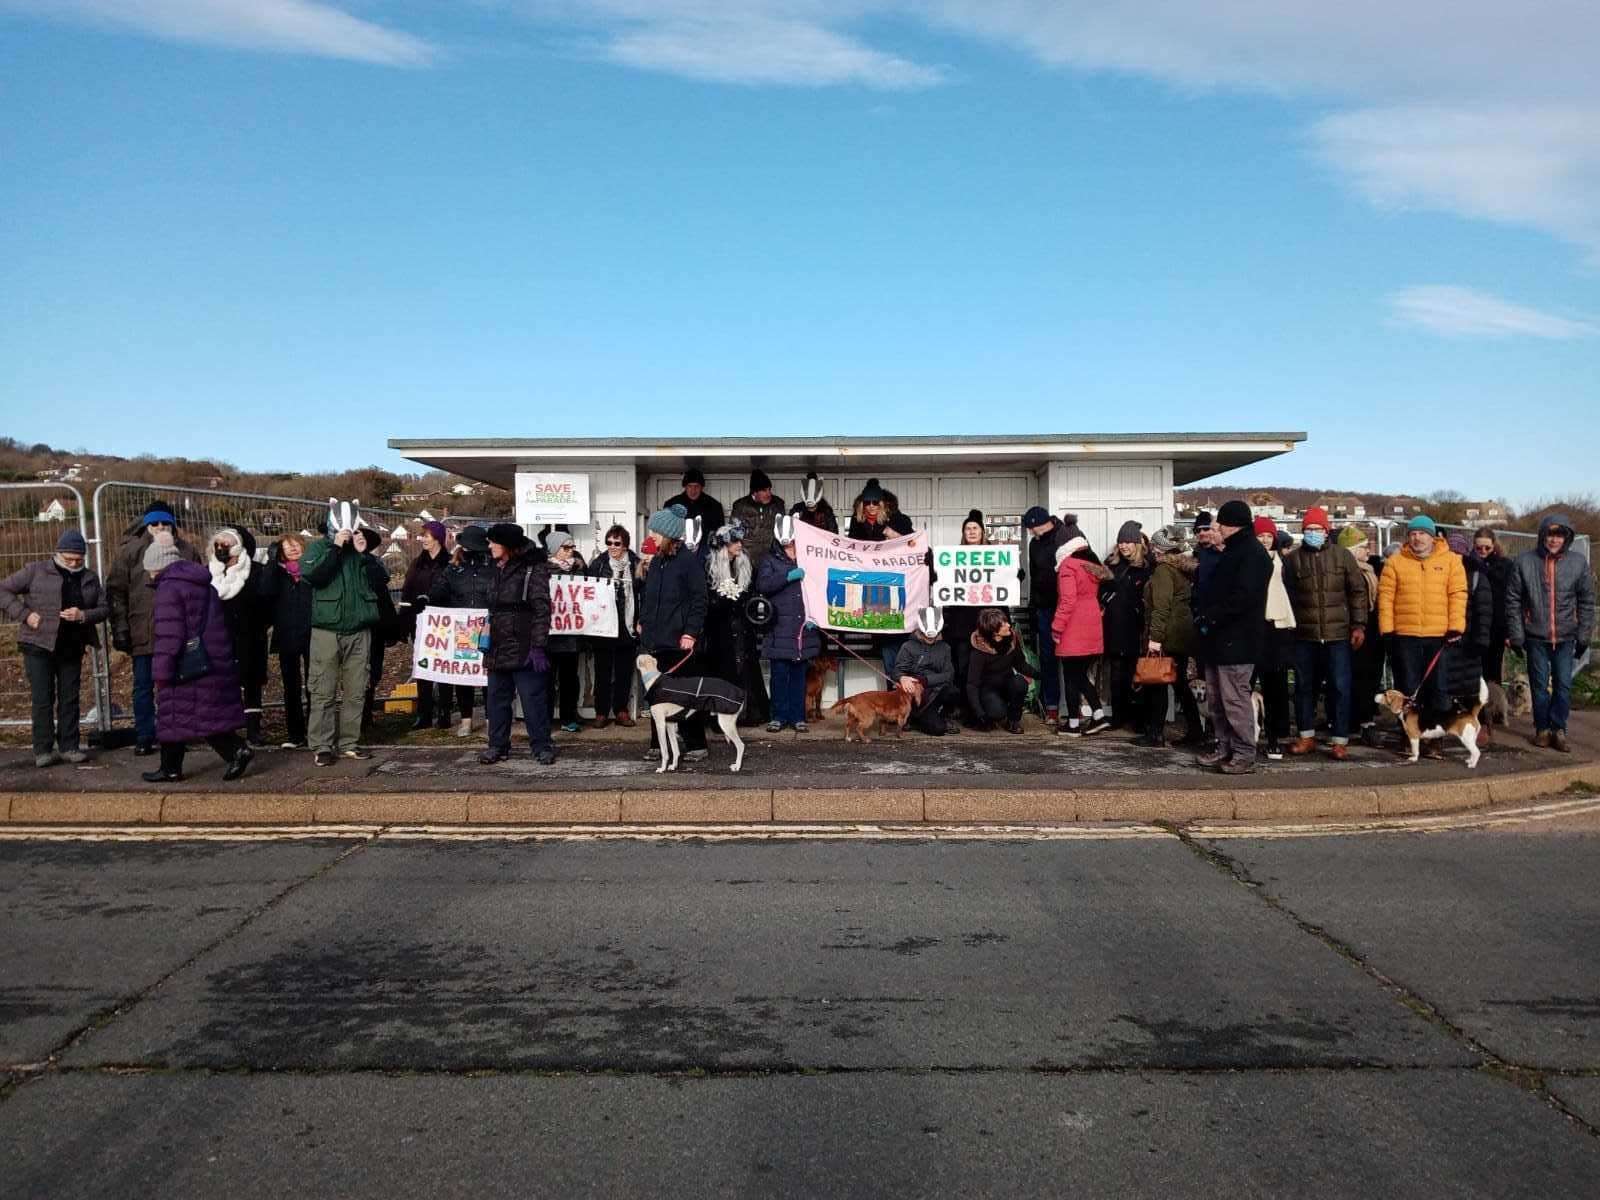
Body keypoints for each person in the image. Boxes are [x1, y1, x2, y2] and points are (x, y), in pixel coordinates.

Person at [139, 537, 251, 784]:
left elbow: (170, 635)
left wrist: (161, 671)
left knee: (175, 715)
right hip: (212, 658)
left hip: (185, 664)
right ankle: (171, 767)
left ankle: (233, 751)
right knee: (199, 715)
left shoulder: (168, 589)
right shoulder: (204, 585)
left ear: (156, 565)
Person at [1, 529, 108, 767]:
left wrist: (83, 615)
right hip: (38, 645)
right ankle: (43, 749)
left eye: (78, 560)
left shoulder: (90, 578)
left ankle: (69, 746)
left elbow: (104, 608)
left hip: (72, 645)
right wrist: (25, 615)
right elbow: (3, 590)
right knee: (43, 698)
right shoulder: (35, 570)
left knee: (70, 698)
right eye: (68, 559)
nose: (73, 564)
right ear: (57, 554)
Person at [107, 500, 202, 756]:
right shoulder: (130, 552)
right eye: (155, 523)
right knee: (142, 687)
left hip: (180, 633)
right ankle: (145, 734)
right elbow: (116, 591)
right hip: (143, 630)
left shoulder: (188, 551)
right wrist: (120, 629)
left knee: (179, 686)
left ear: (173, 525)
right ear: (146, 525)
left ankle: (180, 733)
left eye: (165, 523)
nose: (160, 527)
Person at [1284, 506, 1368, 760]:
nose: (1313, 533)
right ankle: (1306, 735)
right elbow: (1287, 596)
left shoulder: (1342, 556)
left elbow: (1357, 592)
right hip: (1304, 635)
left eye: (1317, 529)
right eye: (1308, 529)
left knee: (1340, 687)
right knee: (1303, 687)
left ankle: (1339, 740)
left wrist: (1359, 625)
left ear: (1326, 530)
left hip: (1337, 635)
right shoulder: (1293, 560)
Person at [1194, 500, 1272, 774]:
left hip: (1237, 640)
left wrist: (1212, 616)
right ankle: (1224, 746)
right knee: (1217, 699)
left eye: (1221, 523)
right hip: (1221, 639)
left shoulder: (1251, 555)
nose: (1217, 528)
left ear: (1232, 524)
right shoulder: (1236, 551)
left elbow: (1243, 598)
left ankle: (1243, 752)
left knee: (1234, 698)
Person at [1507, 513, 1595, 753]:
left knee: (1563, 685)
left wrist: (1584, 635)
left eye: (1559, 535)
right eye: (1550, 534)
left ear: (1566, 537)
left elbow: (1587, 600)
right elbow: (1513, 599)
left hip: (1566, 636)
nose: (1554, 540)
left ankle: (1559, 729)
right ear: (1542, 536)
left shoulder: (1578, 563)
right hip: (1536, 635)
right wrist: (1517, 635)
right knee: (1537, 685)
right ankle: (1542, 729)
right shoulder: (1524, 561)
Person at [1377, 514, 1471, 729]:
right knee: (1407, 687)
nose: (1417, 538)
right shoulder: (1395, 563)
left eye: (1422, 534)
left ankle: (1435, 735)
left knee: (1438, 687)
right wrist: (1388, 631)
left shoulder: (1451, 562)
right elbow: (1385, 598)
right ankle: (1410, 733)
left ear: (1432, 537)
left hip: (1438, 636)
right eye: (1413, 533)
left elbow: (1458, 594)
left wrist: (1455, 626)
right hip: (1405, 635)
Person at [302, 516, 380, 767]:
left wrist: (364, 554)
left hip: (358, 629)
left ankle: (349, 742)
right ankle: (322, 745)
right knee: (323, 690)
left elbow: (381, 580)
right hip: (327, 629)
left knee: (356, 690)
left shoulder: (360, 550)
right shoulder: (318, 548)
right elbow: (314, 576)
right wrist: (335, 548)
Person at [479, 523, 556, 765]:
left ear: (508, 546)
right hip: (498, 646)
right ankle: (497, 745)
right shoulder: (494, 569)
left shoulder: (532, 570)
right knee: (496, 700)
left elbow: (543, 610)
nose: (489, 546)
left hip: (524, 646)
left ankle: (542, 746)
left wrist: (538, 646)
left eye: (494, 542)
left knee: (533, 700)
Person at [638, 506, 710, 759]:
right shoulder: (657, 561)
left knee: (684, 693)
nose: (652, 537)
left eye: (655, 532)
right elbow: (649, 596)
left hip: (678, 638)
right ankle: (658, 744)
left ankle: (696, 744)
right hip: (655, 637)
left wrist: (690, 632)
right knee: (656, 693)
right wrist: (643, 620)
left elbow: (699, 600)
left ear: (668, 534)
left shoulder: (688, 562)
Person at [1137, 528, 1203, 748]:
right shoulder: (1181, 569)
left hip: (1168, 635)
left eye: (1156, 546)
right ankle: (1196, 730)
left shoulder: (1163, 571)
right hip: (1183, 634)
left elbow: (1161, 608)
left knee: (1157, 684)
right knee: (1180, 684)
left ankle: (1154, 733)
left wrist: (1154, 639)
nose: (1152, 549)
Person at [205, 527, 271, 747]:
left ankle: (254, 730)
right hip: (219, 636)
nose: (221, 549)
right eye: (218, 544)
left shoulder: (256, 571)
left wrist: (260, 624)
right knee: (223, 683)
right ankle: (227, 730)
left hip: (251, 634)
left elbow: (266, 601)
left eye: (226, 544)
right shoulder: (209, 573)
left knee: (252, 683)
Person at [428, 524, 496, 737]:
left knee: (487, 675)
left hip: (487, 626)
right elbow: (439, 590)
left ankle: (490, 719)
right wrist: (428, 599)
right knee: (464, 675)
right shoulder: (453, 568)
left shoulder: (493, 567)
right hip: (462, 628)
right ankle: (466, 720)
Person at [846, 478, 916, 676]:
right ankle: (892, 691)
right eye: (866, 503)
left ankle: (902, 690)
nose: (871, 507)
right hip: (870, 588)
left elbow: (916, 548)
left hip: (894, 585)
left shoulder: (899, 520)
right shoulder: (856, 523)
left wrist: (896, 537)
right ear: (861, 505)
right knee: (884, 641)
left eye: (875, 502)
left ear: (883, 504)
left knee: (898, 641)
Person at [757, 515, 819, 732]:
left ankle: (798, 717)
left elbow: (819, 588)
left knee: (799, 675)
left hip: (803, 625)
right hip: (779, 626)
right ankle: (778, 717)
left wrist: (816, 618)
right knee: (779, 674)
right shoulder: (770, 559)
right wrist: (788, 577)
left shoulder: (809, 556)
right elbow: (763, 585)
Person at [703, 521, 768, 726]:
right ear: (724, 545)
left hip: (742, 625)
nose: (739, 545)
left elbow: (753, 592)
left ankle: (748, 713)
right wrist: (720, 599)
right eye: (735, 541)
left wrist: (743, 600)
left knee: (745, 667)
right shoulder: (710, 566)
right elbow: (705, 597)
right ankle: (720, 716)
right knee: (722, 668)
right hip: (719, 627)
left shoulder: (745, 565)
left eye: (740, 541)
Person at [1051, 534, 1112, 736]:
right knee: (1080, 676)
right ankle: (1098, 716)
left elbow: (1068, 600)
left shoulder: (1068, 566)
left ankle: (1074, 724)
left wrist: (1057, 627)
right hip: (1092, 624)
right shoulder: (1091, 567)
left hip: (1073, 627)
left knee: (1071, 677)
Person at [258, 533, 312, 749]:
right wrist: (272, 563)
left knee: (314, 685)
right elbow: (265, 591)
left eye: (296, 545)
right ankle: (295, 733)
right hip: (287, 634)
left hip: (311, 633)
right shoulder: (277, 573)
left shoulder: (310, 571)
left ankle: (315, 731)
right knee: (291, 686)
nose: (292, 549)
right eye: (287, 546)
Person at [585, 524, 641, 728]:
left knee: (624, 671)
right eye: (608, 542)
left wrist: (640, 620)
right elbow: (588, 592)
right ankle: (601, 712)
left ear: (625, 545)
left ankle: (621, 710)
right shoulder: (598, 564)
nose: (612, 546)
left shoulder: (636, 564)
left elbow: (643, 593)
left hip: (627, 623)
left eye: (616, 543)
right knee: (603, 670)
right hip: (603, 624)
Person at [1251, 516, 1297, 760]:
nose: (1266, 540)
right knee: (1245, 684)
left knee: (1276, 686)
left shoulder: (1284, 562)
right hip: (1253, 626)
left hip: (1277, 626)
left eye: (1269, 536)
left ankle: (1274, 737)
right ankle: (1244, 736)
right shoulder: (1247, 561)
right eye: (1261, 536)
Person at [1101, 521, 1153, 730]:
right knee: (1116, 676)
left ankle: (1139, 719)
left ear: (1137, 543)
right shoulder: (1111, 565)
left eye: (1128, 542)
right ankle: (1118, 716)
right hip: (1114, 627)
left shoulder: (1149, 567)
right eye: (1121, 542)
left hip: (1137, 629)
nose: (1124, 546)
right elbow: (1101, 592)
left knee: (1138, 675)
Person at [401, 521, 453, 732]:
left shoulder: (449, 563)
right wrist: (404, 621)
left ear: (438, 538)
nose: (423, 539)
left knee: (444, 669)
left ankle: (445, 712)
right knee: (423, 669)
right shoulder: (416, 564)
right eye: (422, 535)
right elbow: (407, 592)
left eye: (427, 536)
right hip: (420, 623)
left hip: (443, 623)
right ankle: (424, 714)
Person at [940, 510, 990, 725]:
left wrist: (1014, 575)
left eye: (975, 528)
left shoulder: (995, 555)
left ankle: (977, 709)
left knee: (981, 669)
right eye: (967, 529)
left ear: (982, 532)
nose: (971, 532)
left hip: (985, 623)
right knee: (961, 668)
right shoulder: (954, 557)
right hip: (960, 625)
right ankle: (960, 707)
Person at [352, 527, 402, 735]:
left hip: (376, 627)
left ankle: (365, 715)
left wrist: (391, 629)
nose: (359, 540)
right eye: (356, 537)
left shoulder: (375, 566)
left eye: (363, 537)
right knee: (358, 672)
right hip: (356, 626)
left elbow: (384, 601)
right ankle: (358, 717)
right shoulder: (349, 565)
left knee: (372, 671)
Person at [1023, 506, 1070, 724]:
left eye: (1031, 528)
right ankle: (1051, 706)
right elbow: (1034, 576)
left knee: (1070, 660)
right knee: (1048, 659)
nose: (1031, 532)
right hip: (1043, 608)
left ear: (1039, 523)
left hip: (1065, 607)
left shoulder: (1065, 537)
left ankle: (1073, 709)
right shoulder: (1034, 545)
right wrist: (1033, 606)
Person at [1336, 526, 1383, 732]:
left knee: (1368, 674)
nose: (1368, 552)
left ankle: (1363, 715)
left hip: (1370, 629)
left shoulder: (1369, 570)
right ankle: (1357, 718)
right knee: (1358, 675)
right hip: (1355, 629)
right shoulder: (1349, 571)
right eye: (1363, 547)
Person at [543, 530, 588, 733]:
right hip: (550, 634)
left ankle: (568, 716)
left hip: (571, 633)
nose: (570, 552)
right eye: (566, 547)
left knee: (570, 678)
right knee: (547, 678)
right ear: (555, 549)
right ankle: (544, 717)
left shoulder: (578, 570)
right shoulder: (543, 571)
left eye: (572, 547)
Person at [891, 607, 959, 735]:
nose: (930, 639)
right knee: (938, 730)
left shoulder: (945, 648)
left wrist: (926, 680)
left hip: (935, 691)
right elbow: (896, 671)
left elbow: (949, 674)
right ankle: (914, 717)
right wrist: (902, 677)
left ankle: (944, 716)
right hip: (915, 694)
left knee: (953, 692)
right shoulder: (908, 647)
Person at [965, 607, 1035, 733]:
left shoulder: (1012, 640)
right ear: (994, 632)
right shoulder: (978, 652)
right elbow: (972, 685)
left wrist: (1041, 675)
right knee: (997, 712)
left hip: (1007, 684)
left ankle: (1014, 720)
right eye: (1004, 624)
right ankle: (992, 713)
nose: (1009, 625)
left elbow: (1021, 664)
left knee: (1020, 683)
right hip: (987, 689)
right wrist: (979, 713)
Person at [1468, 527, 1514, 686]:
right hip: (1474, 625)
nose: (1483, 551)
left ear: (1494, 546)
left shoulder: (1505, 566)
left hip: (1496, 626)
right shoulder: (1469, 564)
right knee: (1474, 671)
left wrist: (1509, 631)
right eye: (1479, 547)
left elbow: (1509, 599)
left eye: (1487, 547)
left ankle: (1495, 707)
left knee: (1493, 672)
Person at [730, 470, 786, 564]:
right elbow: (733, 531)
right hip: (746, 558)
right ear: (754, 492)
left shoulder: (778, 504)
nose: (769, 494)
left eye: (769, 489)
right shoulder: (740, 506)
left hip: (771, 558)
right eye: (764, 490)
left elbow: (783, 530)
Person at [664, 468, 726, 535]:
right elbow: (665, 530)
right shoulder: (671, 505)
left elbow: (720, 533)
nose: (693, 491)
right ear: (685, 487)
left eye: (697, 486)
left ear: (702, 487)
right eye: (690, 486)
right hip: (678, 544)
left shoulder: (715, 506)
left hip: (705, 545)